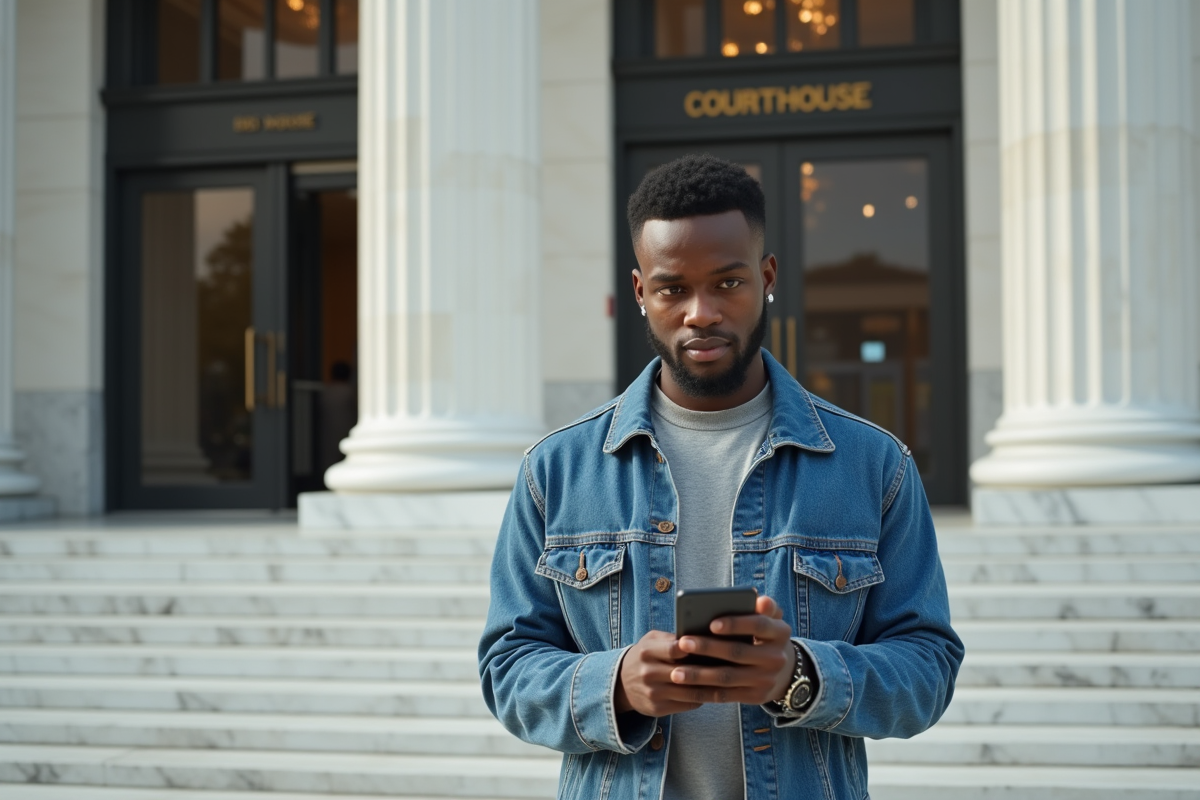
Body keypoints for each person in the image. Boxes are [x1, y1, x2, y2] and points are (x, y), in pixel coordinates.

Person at [479, 154, 963, 800]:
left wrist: (799, 675)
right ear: (640, 293)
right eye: (673, 288)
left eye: (727, 283)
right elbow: (507, 667)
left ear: (766, 277)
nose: (701, 312)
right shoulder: (556, 469)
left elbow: (928, 667)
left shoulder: (874, 465)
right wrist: (615, 684)